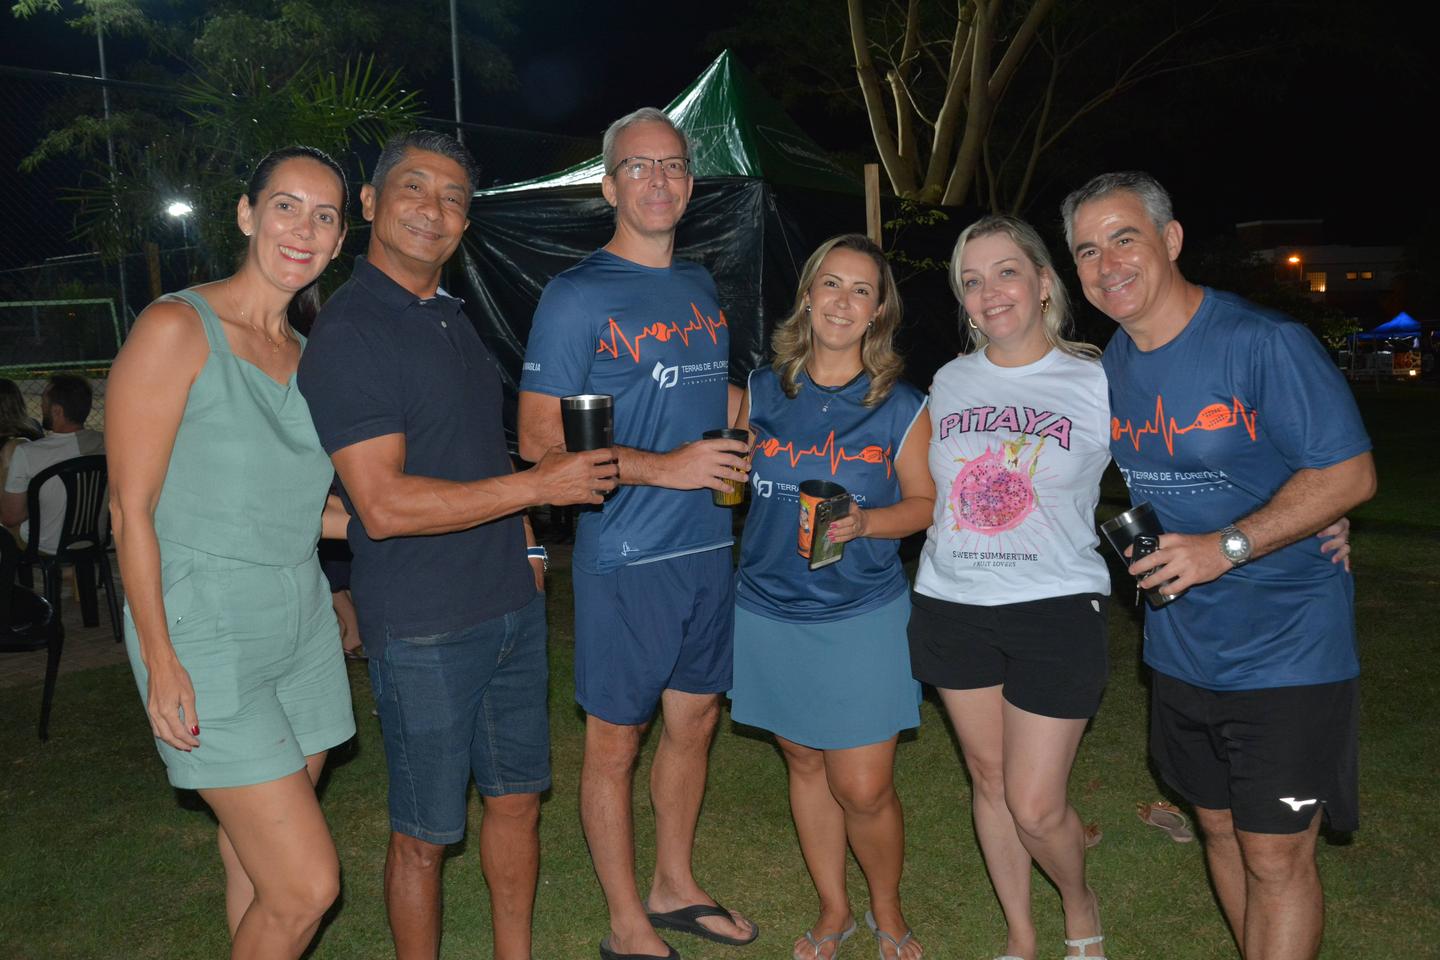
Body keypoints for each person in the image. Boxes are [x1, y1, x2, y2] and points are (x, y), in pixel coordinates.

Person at [297, 130, 616, 960]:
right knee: (425, 834)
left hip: (509, 602)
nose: (432, 209)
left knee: (516, 800)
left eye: (453, 198)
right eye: (413, 188)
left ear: (466, 223)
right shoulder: (353, 330)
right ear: (371, 203)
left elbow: (479, 454)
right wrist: (539, 491)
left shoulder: (450, 315)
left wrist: (530, 548)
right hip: (425, 621)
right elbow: (382, 504)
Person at [1062, 171, 1376, 960]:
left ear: (1170, 240)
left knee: (1276, 855)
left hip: (1288, 649)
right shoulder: (1111, 367)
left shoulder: (1262, 342)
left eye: (1124, 238)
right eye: (1088, 250)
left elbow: (1348, 473)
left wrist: (1227, 547)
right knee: (1220, 828)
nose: (1108, 264)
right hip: (1180, 648)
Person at [517, 107, 757, 960]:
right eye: (638, 166)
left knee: (695, 724)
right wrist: (668, 468)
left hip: (709, 548)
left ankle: (673, 884)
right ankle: (626, 922)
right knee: (615, 741)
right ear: (609, 186)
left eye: (673, 165)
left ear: (690, 184)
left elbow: (712, 399)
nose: (659, 180)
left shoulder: (697, 285)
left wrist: (799, 408)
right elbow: (538, 443)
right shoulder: (576, 296)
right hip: (627, 554)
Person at [106, 146, 356, 960]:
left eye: (324, 216)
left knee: (256, 858)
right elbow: (129, 510)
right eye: (286, 206)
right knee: (307, 885)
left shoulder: (311, 358)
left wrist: (448, 524)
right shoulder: (177, 328)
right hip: (203, 625)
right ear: (247, 215)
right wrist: (160, 657)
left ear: (339, 240)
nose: (303, 229)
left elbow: (302, 509)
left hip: (301, 621)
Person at [908, 216, 1111, 960]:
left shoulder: (1096, 381)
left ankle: (1079, 905)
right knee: (989, 778)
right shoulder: (949, 382)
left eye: (1006, 272)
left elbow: (1173, 459)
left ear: (1044, 283)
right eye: (972, 280)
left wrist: (1302, 517)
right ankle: (1020, 935)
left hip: (1055, 606)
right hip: (953, 603)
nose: (990, 292)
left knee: (1034, 802)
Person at [729, 234, 933, 960]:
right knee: (805, 763)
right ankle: (834, 909)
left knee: (865, 786)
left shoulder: (901, 405)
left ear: (878, 311)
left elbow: (925, 504)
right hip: (767, 609)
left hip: (860, 613)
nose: (843, 302)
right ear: (808, 296)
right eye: (832, 285)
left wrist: (868, 523)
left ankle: (888, 910)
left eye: (861, 290)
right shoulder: (760, 391)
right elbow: (729, 474)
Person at [1, 375, 105, 553]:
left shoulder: (26, 451)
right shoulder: (107, 444)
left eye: (44, 401)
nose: (41, 406)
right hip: (96, 539)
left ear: (57, 411)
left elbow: (11, 518)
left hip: (47, 546)